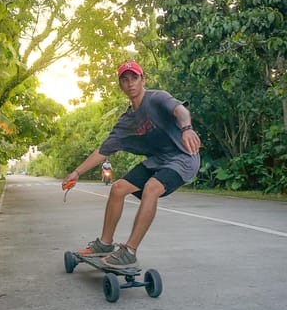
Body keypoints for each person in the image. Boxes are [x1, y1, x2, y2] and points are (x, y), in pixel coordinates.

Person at [62, 60, 201, 268]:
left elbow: (180, 110)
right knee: (117, 188)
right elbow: (103, 151)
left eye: (134, 78)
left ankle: (129, 251)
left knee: (151, 188)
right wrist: (76, 172)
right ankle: (105, 243)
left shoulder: (157, 98)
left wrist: (187, 128)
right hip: (158, 162)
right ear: (121, 86)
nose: (130, 84)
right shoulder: (126, 122)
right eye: (125, 80)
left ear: (142, 80)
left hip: (183, 158)